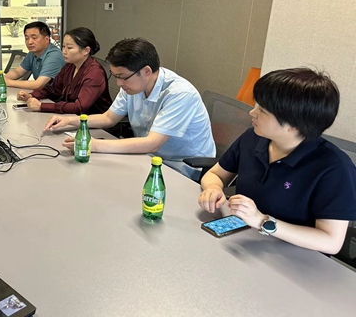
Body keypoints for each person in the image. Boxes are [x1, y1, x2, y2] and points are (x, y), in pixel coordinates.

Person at [198, 68, 356, 254]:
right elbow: (216, 174)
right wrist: (213, 189)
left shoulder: (335, 168)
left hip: (295, 260)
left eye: (263, 110)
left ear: (294, 125)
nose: (252, 112)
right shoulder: (253, 138)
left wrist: (262, 221)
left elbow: (331, 242)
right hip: (241, 242)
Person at [44, 38, 215, 179]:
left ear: (146, 71)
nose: (119, 83)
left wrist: (93, 145)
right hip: (149, 160)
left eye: (123, 77)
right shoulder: (133, 86)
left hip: (182, 169)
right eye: (115, 76)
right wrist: (70, 120)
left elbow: (152, 143)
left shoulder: (179, 93)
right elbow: (109, 118)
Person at [16, 27, 112, 114]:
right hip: (71, 117)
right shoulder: (70, 66)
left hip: (93, 123)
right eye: (63, 46)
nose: (64, 51)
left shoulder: (95, 73)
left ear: (86, 50)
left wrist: (42, 106)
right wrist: (31, 95)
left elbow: (79, 107)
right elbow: (53, 89)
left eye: (69, 48)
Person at [0, 21, 64, 90]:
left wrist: (8, 82)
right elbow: (18, 72)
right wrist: (2, 78)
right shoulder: (32, 53)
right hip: (43, 94)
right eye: (27, 38)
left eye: (34, 38)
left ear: (47, 39)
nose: (29, 42)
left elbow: (38, 85)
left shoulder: (54, 56)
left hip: (57, 97)